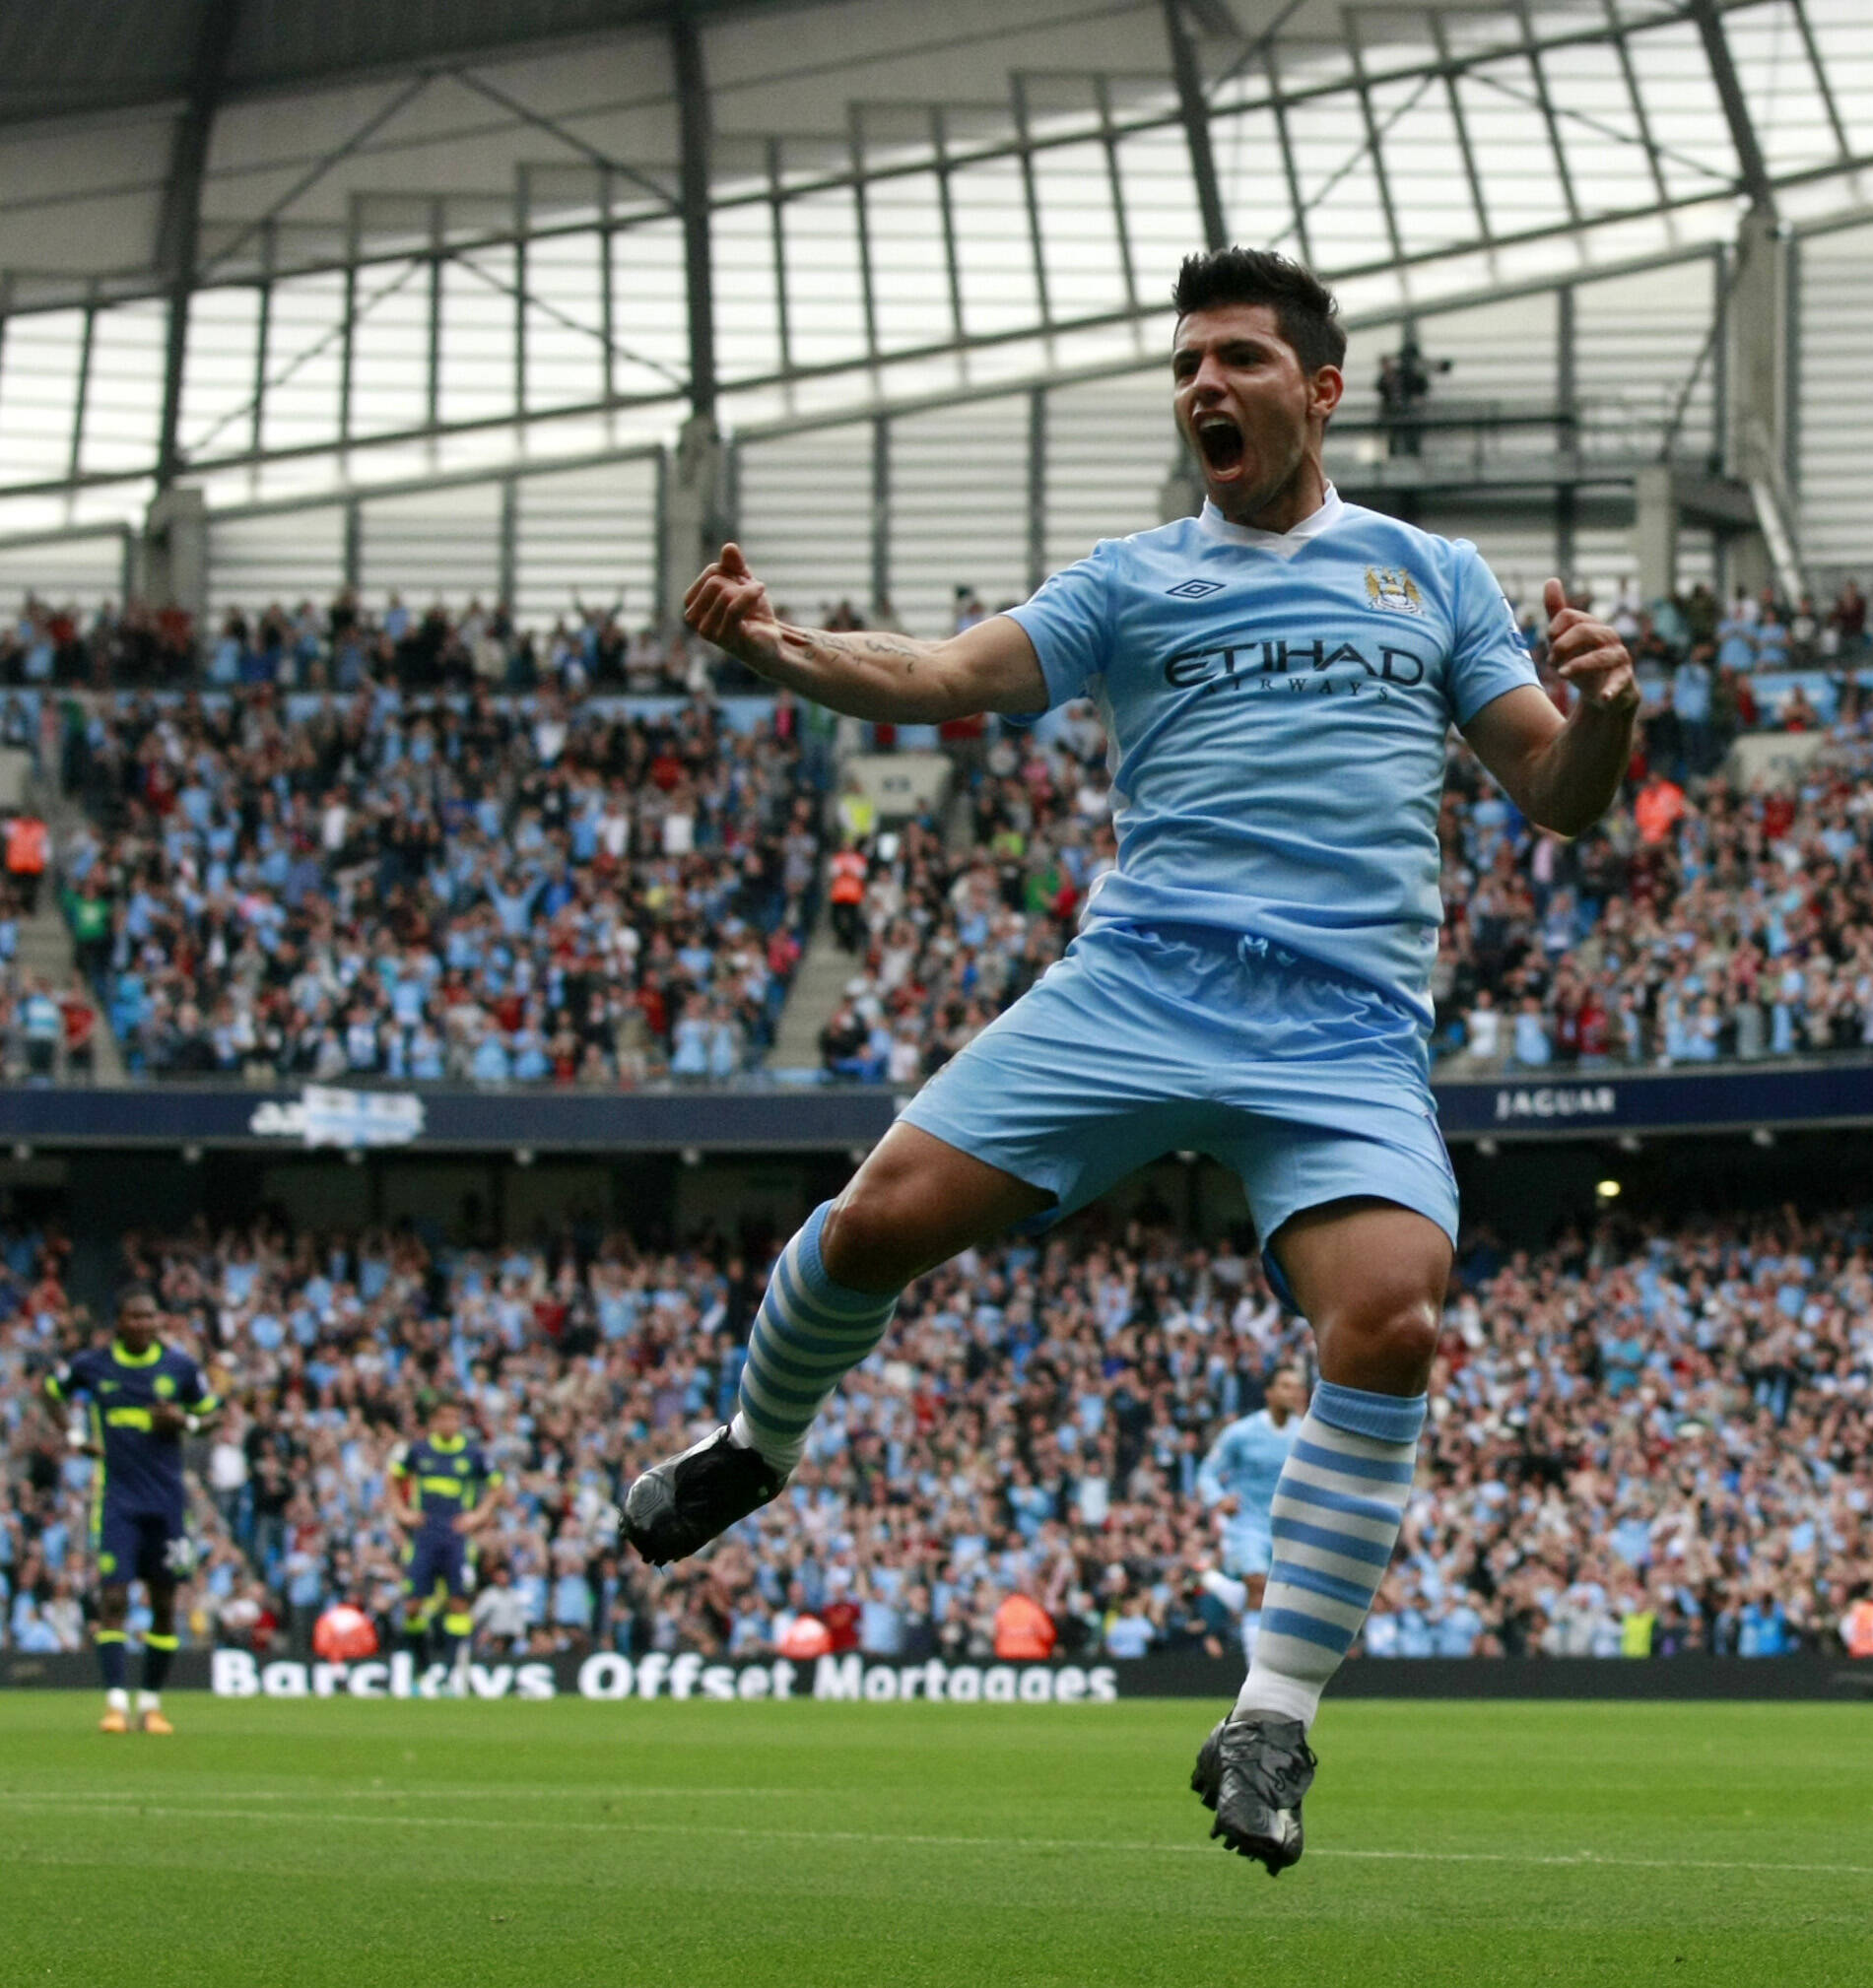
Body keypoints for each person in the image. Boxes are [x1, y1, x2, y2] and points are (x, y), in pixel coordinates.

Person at [623, 246, 1637, 1875]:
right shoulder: (1132, 576)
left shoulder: (1433, 575)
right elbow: (949, 676)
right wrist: (784, 646)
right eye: (1186, 365)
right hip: (1140, 985)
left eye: (1238, 358)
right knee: (877, 1219)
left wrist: (1602, 712)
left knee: (1390, 1316)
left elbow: (1561, 790)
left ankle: (1272, 1717)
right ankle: (753, 1442)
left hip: (1342, 1024)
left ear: (1317, 391)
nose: (1201, 386)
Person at [47, 1285, 221, 1733]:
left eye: (151, 1318)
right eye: (135, 1317)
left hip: (167, 1504)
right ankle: (115, 1704)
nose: (144, 1325)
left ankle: (152, 1703)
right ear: (119, 1322)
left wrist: (187, 1421)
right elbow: (51, 1391)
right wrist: (71, 1436)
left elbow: (214, 1415)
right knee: (113, 1597)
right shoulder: (94, 1365)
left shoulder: (179, 1367)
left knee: (164, 1603)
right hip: (117, 1499)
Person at [386, 1392, 503, 1695]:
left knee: (458, 1604)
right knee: (412, 1605)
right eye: (444, 1418)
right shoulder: (418, 1451)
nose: (450, 1423)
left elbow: (496, 1486)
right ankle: (423, 1669)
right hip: (424, 1537)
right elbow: (392, 1478)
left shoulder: (472, 1454)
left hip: (456, 1538)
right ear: (433, 1421)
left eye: (455, 1418)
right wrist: (401, 1511)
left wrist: (477, 1516)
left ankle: (450, 1675)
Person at [1197, 1366, 1306, 1613]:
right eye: (1286, 1386)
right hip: (1248, 1525)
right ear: (1269, 1393)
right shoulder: (1241, 1433)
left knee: (1280, 1602)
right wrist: (1218, 1499)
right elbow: (1206, 1473)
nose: (1294, 1393)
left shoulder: (1305, 1435)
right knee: (1258, 1587)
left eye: (1297, 1387)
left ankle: (1224, 1589)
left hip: (1289, 1529)